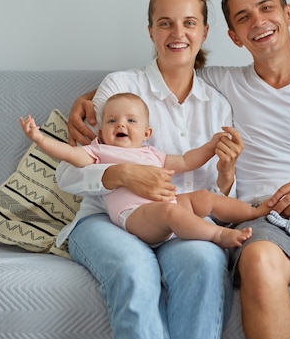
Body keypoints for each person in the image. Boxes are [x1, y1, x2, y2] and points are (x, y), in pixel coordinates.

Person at [69, 0, 290, 339]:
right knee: (255, 262)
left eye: (266, 8)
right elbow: (167, 69)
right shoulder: (223, 83)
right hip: (260, 211)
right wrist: (92, 100)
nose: (258, 21)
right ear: (233, 36)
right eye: (242, 17)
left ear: (288, 14)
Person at [55, 0, 245, 339]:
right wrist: (121, 174)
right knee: (134, 268)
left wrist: (226, 174)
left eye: (189, 23)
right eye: (165, 23)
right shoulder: (119, 86)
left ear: (205, 32)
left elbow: (219, 198)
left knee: (205, 263)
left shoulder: (217, 105)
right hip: (106, 220)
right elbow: (67, 173)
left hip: (178, 221)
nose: (178, 33)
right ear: (151, 31)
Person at [21, 92, 269, 248]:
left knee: (203, 198)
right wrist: (40, 139)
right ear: (101, 133)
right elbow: (68, 154)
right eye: (111, 121)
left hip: (168, 207)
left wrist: (211, 146)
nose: (121, 124)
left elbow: (186, 161)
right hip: (134, 216)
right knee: (168, 212)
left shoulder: (151, 153)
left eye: (131, 120)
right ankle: (218, 235)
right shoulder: (99, 151)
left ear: (146, 133)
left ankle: (256, 212)